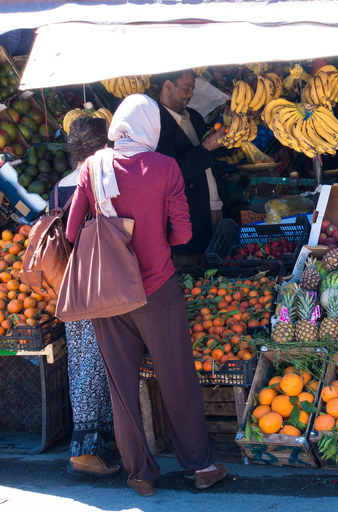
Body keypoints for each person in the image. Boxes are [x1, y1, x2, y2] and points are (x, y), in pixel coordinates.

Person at [65, 94, 227, 497]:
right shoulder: (164, 167)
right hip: (157, 289)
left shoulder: (91, 167)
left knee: (121, 388)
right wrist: (157, 240)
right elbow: (184, 234)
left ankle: (140, 474)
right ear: (150, 128)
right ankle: (201, 466)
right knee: (177, 380)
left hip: (109, 295)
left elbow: (70, 233)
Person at [51, 116, 118, 478]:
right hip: (99, 282)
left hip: (69, 284)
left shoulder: (59, 186)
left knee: (81, 360)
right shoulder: (99, 179)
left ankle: (98, 443)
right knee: (96, 363)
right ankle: (86, 448)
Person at [153, 70, 227, 267]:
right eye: (187, 88)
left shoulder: (193, 116)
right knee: (195, 276)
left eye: (192, 89)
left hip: (215, 207)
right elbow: (171, 173)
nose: (191, 95)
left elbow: (210, 154)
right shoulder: (156, 125)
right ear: (168, 86)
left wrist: (219, 138)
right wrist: (207, 146)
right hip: (189, 217)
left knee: (222, 274)